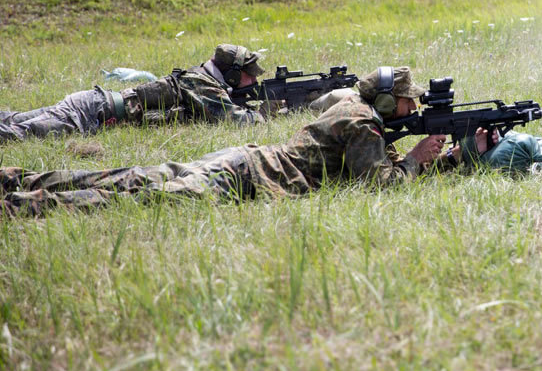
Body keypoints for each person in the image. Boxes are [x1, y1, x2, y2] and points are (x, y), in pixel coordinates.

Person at [1, 67, 489, 216]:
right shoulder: (363, 123)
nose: (412, 110)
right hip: (243, 177)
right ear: (384, 102)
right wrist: (419, 162)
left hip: (240, 162)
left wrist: (451, 160)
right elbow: (381, 184)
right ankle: (22, 205)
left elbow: (388, 164)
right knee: (140, 197)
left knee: (134, 178)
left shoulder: (359, 115)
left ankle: (17, 179)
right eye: (406, 103)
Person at [0, 44, 276, 143]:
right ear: (230, 74)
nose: (253, 78)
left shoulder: (202, 79)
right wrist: (269, 111)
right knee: (17, 134)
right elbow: (233, 119)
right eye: (248, 73)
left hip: (93, 103)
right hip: (91, 113)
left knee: (12, 120)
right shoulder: (201, 84)